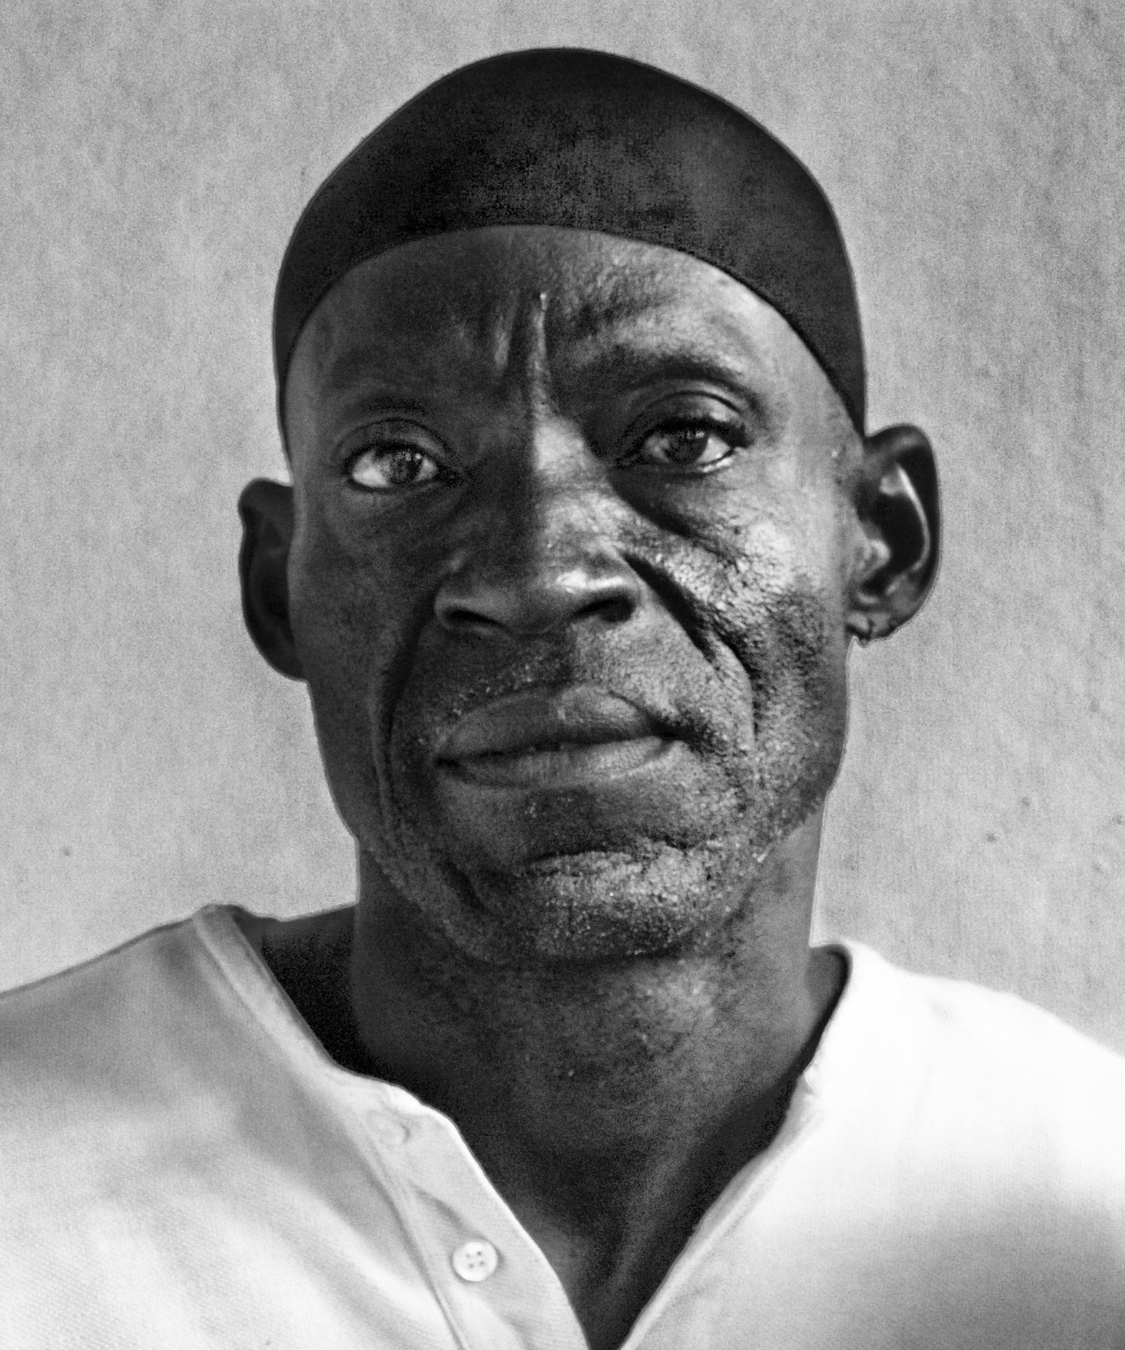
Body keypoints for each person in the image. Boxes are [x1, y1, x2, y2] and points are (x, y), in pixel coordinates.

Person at [2, 48, 1123, 1350]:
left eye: (684, 437)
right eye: (398, 463)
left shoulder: (1087, 1200)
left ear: (881, 538)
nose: (537, 573)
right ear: (278, 586)